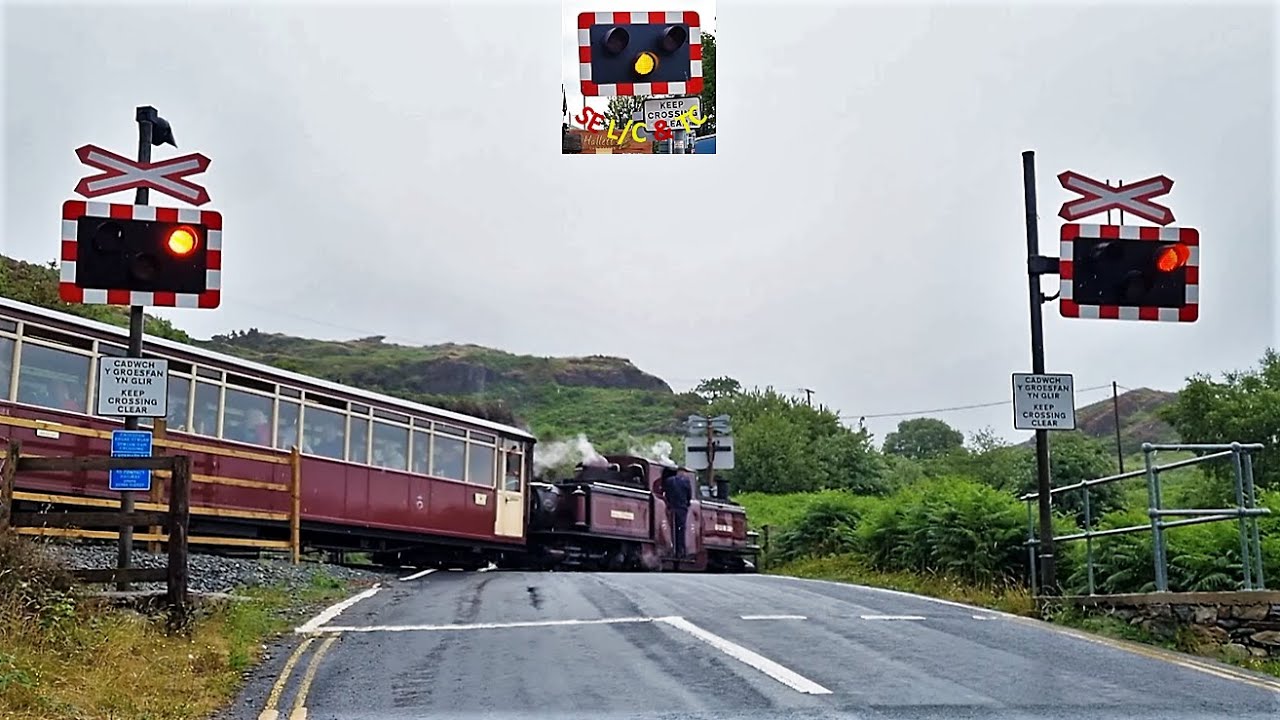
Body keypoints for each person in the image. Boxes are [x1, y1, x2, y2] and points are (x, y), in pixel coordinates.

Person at [661, 466, 692, 558]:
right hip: (681, 508)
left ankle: (671, 548)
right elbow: (689, 496)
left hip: (670, 507)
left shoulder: (669, 481)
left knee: (670, 528)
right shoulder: (686, 482)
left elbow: (666, 493)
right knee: (680, 529)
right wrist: (687, 503)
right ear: (682, 472)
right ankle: (680, 550)